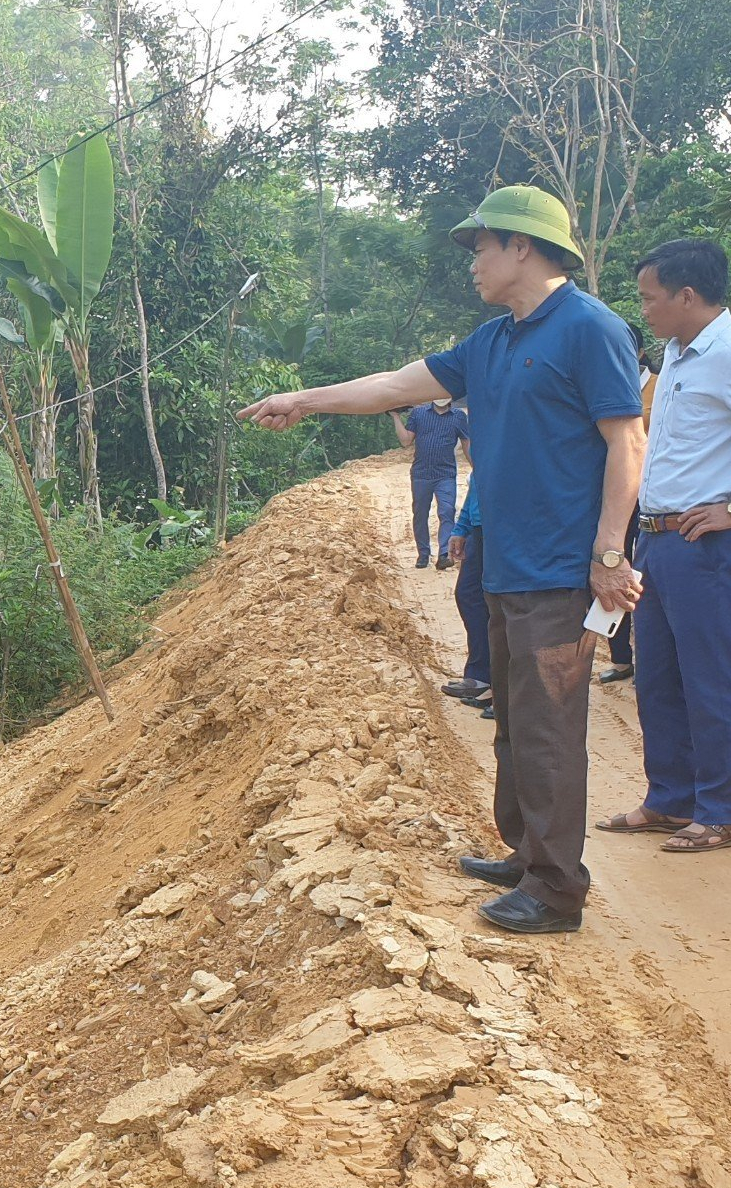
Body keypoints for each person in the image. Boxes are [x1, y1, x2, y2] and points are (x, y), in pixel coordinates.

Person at [242, 185, 644, 935]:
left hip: (561, 570)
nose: (473, 265)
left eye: (481, 247)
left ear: (522, 246)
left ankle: (556, 891)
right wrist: (304, 398)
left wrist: (611, 552)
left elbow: (628, 441)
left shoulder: (590, 329)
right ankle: (525, 852)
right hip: (504, 561)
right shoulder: (491, 342)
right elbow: (396, 386)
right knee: (515, 719)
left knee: (550, 729)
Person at [599, 240, 731, 853]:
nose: (644, 309)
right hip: (660, 540)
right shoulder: (678, 354)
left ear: (686, 295)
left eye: (650, 297)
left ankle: (722, 812)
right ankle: (670, 799)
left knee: (708, 678)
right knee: (658, 678)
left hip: (701, 545)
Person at [599, 338, 664, 685]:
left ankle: (654, 659)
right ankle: (621, 657)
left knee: (650, 573)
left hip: (656, 492)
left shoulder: (662, 382)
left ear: (638, 353)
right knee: (612, 565)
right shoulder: (600, 384)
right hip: (618, 491)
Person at [393, 398, 470, 569]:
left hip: (446, 474)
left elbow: (466, 444)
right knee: (420, 514)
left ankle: (444, 554)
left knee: (447, 511)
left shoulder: (458, 416)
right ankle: (423, 554)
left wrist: (477, 468)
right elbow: (406, 440)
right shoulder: (419, 413)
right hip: (421, 474)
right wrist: (395, 417)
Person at [444, 484, 491, 706]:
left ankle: (501, 689)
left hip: (503, 527)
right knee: (470, 595)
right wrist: (462, 528)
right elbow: (476, 485)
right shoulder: (484, 451)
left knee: (503, 603)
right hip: (479, 529)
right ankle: (483, 677)